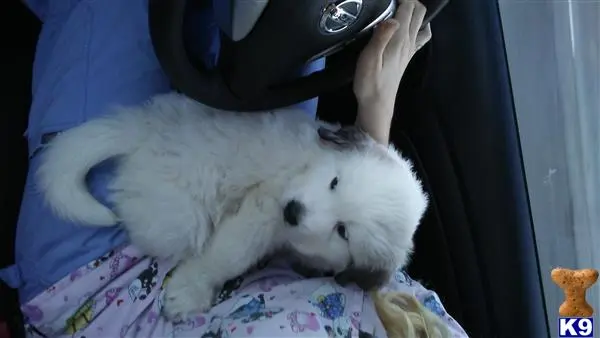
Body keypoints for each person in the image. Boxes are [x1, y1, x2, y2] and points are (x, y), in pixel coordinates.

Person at [2, 0, 469, 337]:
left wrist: (204, 276)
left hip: (115, 288)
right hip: (235, 181)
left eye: (342, 231)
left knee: (111, 8)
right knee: (278, 21)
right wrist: (374, 109)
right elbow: (370, 243)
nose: (309, 213)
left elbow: (266, 224)